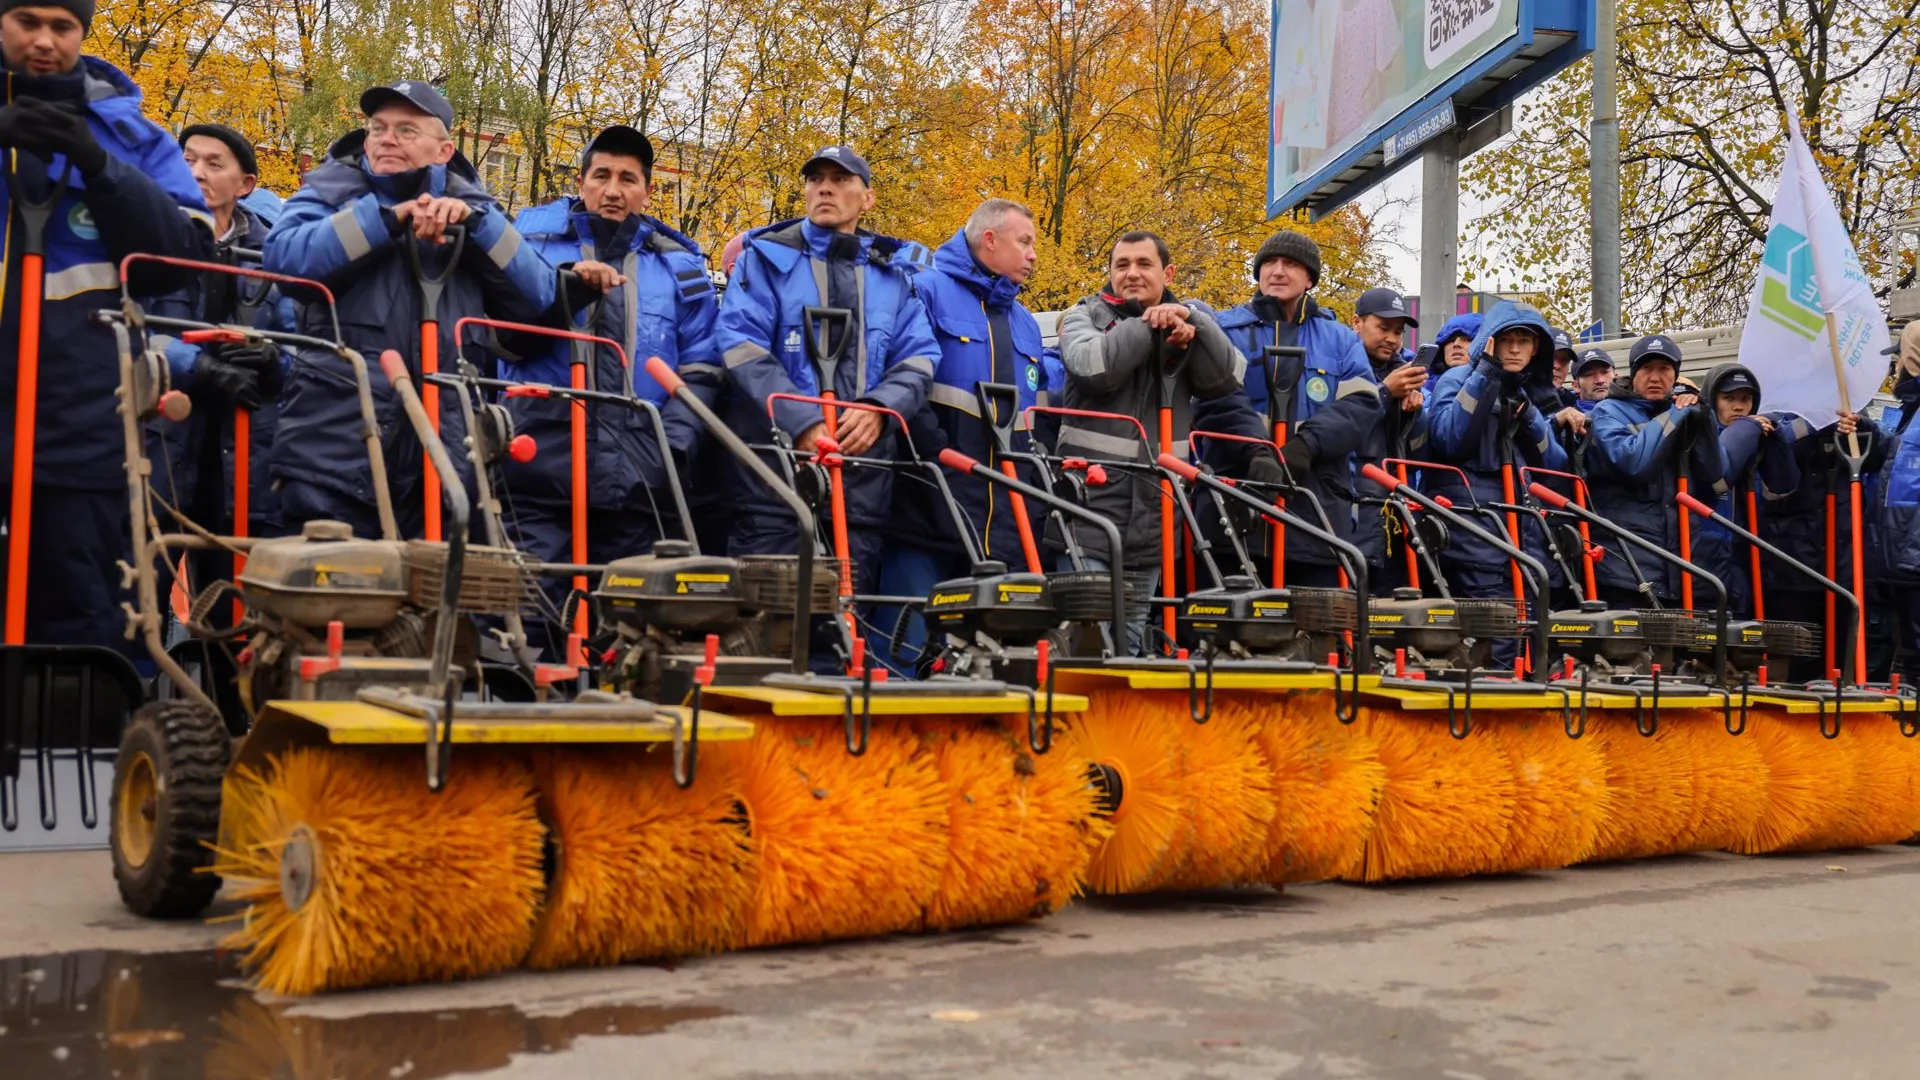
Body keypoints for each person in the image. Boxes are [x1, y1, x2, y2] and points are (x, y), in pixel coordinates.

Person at [0, 0, 213, 650]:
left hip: (79, 427)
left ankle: (62, 743)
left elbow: (184, 257)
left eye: (62, 26)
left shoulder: (130, 136)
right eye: (26, 21)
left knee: (82, 623)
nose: (44, 40)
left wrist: (97, 165)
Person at [265, 79, 557, 539]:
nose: (386, 139)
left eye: (406, 130)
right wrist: (384, 221)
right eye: (378, 128)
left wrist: (476, 226)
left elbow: (539, 294)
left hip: (447, 455)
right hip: (336, 443)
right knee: (335, 595)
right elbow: (284, 261)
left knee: (438, 603)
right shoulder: (327, 190)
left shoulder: (477, 206)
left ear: (443, 150)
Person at [493, 125, 720, 654]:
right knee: (526, 623)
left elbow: (705, 367)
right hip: (538, 465)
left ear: (647, 191)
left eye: (628, 179)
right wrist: (563, 289)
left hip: (640, 471)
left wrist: (675, 446)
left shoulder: (681, 268)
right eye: (602, 176)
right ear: (581, 182)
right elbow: (499, 339)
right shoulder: (528, 247)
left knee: (631, 631)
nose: (613, 190)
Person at [714, 145, 939, 667]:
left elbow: (921, 356)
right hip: (772, 484)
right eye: (816, 179)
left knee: (841, 637)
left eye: (840, 180)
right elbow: (741, 345)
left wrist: (881, 408)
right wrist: (803, 422)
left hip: (859, 488)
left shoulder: (894, 278)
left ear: (867, 197)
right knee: (760, 640)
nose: (825, 188)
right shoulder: (765, 261)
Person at [1054, 230, 1275, 656]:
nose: (1131, 273)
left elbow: (1228, 377)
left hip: (1156, 515)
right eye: (1122, 265)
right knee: (1087, 642)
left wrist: (1194, 323)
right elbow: (1095, 367)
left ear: (1167, 272)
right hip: (1088, 513)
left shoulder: (1184, 323)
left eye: (1143, 264)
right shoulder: (1084, 316)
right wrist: (1149, 324)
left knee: (1132, 642)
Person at [876, 198, 1051, 670]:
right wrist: (936, 454)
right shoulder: (924, 290)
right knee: (902, 650)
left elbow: (1031, 421)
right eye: (1025, 242)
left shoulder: (1026, 323)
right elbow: (902, 381)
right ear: (989, 240)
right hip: (929, 506)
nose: (1034, 255)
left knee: (986, 663)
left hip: (1004, 527)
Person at [148, 123, 295, 600]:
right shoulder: (148, 235)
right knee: (136, 601)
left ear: (246, 184)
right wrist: (200, 366)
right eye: (188, 159)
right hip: (159, 446)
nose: (197, 173)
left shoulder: (273, 255)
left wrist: (272, 359)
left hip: (243, 453)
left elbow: (302, 353)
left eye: (214, 164)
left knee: (231, 613)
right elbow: (127, 330)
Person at [1216, 230, 1380, 588]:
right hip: (1240, 501)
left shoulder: (1341, 339)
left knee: (1317, 630)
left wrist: (1306, 445)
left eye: (1290, 264)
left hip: (1316, 510)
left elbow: (1361, 405)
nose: (1277, 271)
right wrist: (1256, 450)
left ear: (1310, 279)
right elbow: (1219, 399)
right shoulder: (1226, 331)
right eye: (1269, 263)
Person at [1424, 301, 1568, 657]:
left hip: (1526, 539)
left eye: (1525, 341)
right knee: (1497, 641)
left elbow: (1555, 465)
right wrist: (1485, 374)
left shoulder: (1531, 393)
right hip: (1475, 536)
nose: (1516, 349)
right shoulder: (1457, 378)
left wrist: (1531, 416)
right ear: (1490, 342)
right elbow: (1448, 440)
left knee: (1530, 641)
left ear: (1536, 349)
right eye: (1508, 340)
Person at [1584, 335, 1729, 610]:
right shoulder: (1609, 410)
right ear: (1632, 374)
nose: (1655, 377)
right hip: (1625, 570)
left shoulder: (1684, 413)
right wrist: (1674, 414)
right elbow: (1633, 463)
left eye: (1664, 370)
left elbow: (1714, 474)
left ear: (1675, 376)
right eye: (1647, 369)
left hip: (1681, 568)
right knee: (1631, 653)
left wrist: (1705, 419)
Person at [1694, 363, 1798, 617]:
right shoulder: (1698, 438)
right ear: (1712, 400)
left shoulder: (1757, 436)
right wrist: (1744, 430)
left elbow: (1785, 485)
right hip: (1705, 556)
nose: (1738, 406)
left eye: (1746, 399)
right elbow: (1717, 480)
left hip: (1747, 557)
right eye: (1728, 398)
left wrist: (1776, 440)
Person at [1349, 287, 1425, 593]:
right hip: (1353, 508)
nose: (1392, 339)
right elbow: (1336, 428)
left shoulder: (1402, 374)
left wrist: (1412, 414)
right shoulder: (1340, 364)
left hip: (1392, 511)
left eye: (1398, 331)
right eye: (1383, 328)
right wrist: (1383, 392)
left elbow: (1417, 453)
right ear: (1356, 322)